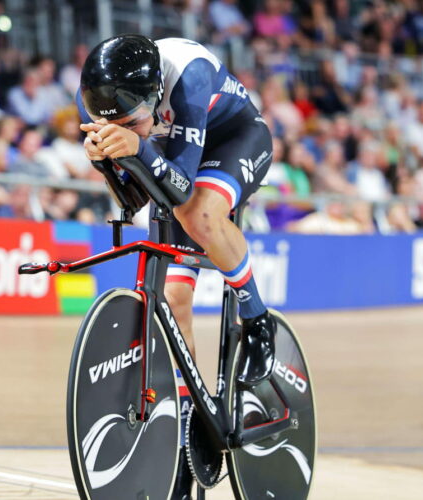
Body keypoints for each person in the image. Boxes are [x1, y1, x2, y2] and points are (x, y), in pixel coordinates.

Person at [78, 35, 275, 500]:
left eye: (132, 121)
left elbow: (183, 191)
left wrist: (139, 150)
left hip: (235, 139)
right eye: (115, 122)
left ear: (152, 97)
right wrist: (108, 164)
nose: (123, 126)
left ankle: (257, 317)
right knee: (173, 298)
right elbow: (137, 198)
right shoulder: (99, 92)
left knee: (200, 215)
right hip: (176, 156)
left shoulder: (188, 76)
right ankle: (191, 428)